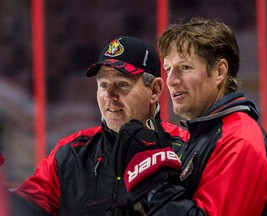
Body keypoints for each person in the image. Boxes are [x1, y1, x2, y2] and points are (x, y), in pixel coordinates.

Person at [110, 18, 267, 215]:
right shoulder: (203, 138)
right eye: (168, 69)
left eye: (185, 67)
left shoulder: (239, 140)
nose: (172, 80)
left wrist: (155, 179)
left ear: (220, 71)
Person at [8, 36, 189, 215]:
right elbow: (21, 207)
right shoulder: (72, 153)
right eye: (103, 84)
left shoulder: (185, 149)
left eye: (122, 84)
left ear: (154, 90)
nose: (109, 95)